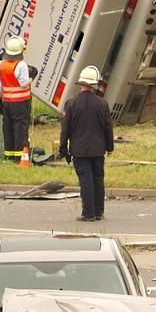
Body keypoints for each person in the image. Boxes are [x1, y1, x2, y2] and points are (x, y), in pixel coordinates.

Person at [59, 66, 114, 222]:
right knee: (98, 179)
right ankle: (99, 212)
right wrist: (110, 147)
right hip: (98, 149)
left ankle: (88, 213)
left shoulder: (71, 104)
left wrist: (63, 149)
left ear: (81, 83)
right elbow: (107, 127)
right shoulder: (102, 104)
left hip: (80, 150)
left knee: (86, 180)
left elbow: (66, 129)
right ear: (95, 84)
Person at [0, 35, 31, 162]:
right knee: (20, 129)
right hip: (20, 103)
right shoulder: (21, 65)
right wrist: (32, 78)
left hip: (7, 103)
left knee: (8, 129)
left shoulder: (0, 65)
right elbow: (23, 83)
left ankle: (9, 156)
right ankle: (20, 157)